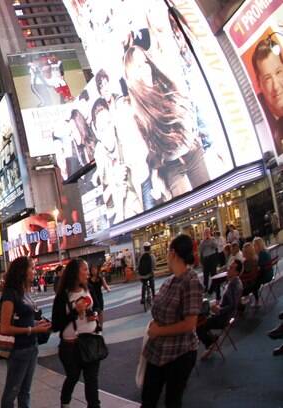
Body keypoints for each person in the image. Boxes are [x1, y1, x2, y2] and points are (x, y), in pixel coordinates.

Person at [124, 45, 210, 199]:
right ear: (132, 74)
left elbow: (187, 111)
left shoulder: (165, 85)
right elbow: (146, 153)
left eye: (145, 63)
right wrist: (157, 172)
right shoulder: (135, 112)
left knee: (211, 198)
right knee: (191, 212)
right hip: (172, 167)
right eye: (139, 66)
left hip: (192, 151)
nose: (146, 69)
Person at [141, 234, 203, 408]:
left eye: (168, 251)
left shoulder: (191, 281)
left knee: (172, 401)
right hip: (157, 351)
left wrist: (158, 330)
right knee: (148, 398)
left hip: (179, 352)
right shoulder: (169, 281)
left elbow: (190, 324)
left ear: (173, 253)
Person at [0, 256, 52, 408]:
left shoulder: (24, 292)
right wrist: (33, 329)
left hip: (31, 347)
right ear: (22, 271)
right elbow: (5, 327)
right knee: (12, 392)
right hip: (19, 350)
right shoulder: (10, 294)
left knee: (25, 391)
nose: (34, 272)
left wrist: (37, 323)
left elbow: (22, 318)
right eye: (32, 268)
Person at [53, 258, 102, 408]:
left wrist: (94, 316)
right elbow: (56, 324)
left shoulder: (89, 289)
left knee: (92, 381)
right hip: (70, 347)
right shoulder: (63, 295)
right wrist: (75, 311)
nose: (88, 273)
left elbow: (98, 307)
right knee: (73, 377)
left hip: (91, 342)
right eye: (85, 269)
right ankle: (65, 403)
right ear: (75, 272)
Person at [197, 259, 243, 360]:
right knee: (204, 309)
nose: (228, 269)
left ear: (236, 272)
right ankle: (211, 340)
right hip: (225, 313)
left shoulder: (233, 285)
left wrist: (219, 310)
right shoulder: (236, 281)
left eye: (231, 268)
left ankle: (211, 343)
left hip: (224, 317)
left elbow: (232, 305)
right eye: (229, 266)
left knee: (198, 325)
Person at [252, 38, 283, 154]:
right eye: (268, 79)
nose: (276, 86)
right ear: (259, 84)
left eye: (279, 72)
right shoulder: (259, 118)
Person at [240, 242, 262, 307]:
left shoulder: (246, 262)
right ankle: (256, 300)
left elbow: (244, 275)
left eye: (243, 250)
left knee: (235, 290)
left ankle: (240, 308)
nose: (242, 252)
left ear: (246, 252)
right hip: (256, 282)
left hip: (250, 286)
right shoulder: (255, 258)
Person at [199, 228, 219, 292]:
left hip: (212, 257)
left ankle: (214, 287)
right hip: (206, 259)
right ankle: (205, 287)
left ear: (210, 232)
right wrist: (204, 241)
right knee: (206, 274)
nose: (207, 234)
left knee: (214, 273)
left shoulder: (213, 239)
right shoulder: (202, 241)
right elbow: (201, 250)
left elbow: (215, 246)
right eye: (205, 232)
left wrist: (210, 240)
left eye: (208, 232)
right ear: (204, 233)